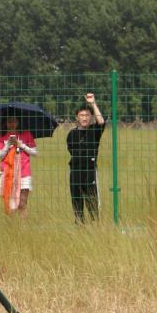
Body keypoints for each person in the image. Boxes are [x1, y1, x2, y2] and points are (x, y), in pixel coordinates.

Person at [66, 93, 106, 223]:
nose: (84, 118)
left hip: (90, 171)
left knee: (92, 202)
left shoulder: (95, 131)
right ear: (77, 117)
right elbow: (71, 151)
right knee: (76, 202)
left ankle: (95, 225)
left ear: (91, 117)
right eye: (82, 115)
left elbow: (101, 122)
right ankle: (79, 225)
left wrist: (93, 103)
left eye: (87, 115)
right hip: (75, 171)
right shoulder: (71, 134)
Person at [0, 115, 38, 217]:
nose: (12, 124)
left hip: (24, 172)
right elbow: (0, 155)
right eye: (9, 121)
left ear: (18, 122)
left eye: (14, 121)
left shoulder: (26, 134)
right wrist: (7, 145)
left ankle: (23, 224)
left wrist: (21, 145)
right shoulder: (2, 136)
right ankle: (12, 224)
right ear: (6, 123)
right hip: (7, 173)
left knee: (22, 203)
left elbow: (35, 153)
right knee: (11, 205)